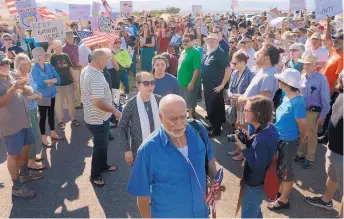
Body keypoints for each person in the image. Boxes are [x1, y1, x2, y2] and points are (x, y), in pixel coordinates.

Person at [127, 94, 218, 217]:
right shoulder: (147, 150)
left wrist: (215, 181)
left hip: (201, 214)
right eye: (173, 119)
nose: (180, 123)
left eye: (183, 117)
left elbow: (209, 161)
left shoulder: (199, 131)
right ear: (160, 117)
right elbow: (142, 196)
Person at [0, 51, 43, 199]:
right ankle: (16, 187)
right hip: (10, 125)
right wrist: (13, 89)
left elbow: (28, 91)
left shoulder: (11, 75)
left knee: (27, 146)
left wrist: (24, 86)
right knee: (14, 155)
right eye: (1, 64)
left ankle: (24, 174)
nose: (5, 65)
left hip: (24, 121)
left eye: (6, 62)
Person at [80, 48, 121, 187]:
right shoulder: (95, 76)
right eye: (107, 59)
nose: (109, 61)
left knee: (103, 145)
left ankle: (103, 165)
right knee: (100, 147)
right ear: (100, 61)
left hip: (97, 116)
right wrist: (115, 110)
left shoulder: (88, 69)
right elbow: (98, 102)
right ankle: (95, 175)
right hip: (98, 119)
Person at [267, 68, 307, 210]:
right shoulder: (286, 95)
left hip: (289, 141)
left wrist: (303, 136)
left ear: (287, 83)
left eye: (281, 80)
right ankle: (281, 191)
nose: (278, 81)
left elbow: (302, 123)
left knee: (286, 169)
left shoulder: (298, 102)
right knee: (280, 166)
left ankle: (283, 200)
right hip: (280, 138)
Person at [305, 72, 343, 218]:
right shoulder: (341, 95)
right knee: (332, 176)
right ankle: (326, 200)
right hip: (334, 148)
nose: (341, 77)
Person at [235, 96, 279, 218]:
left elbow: (257, 166)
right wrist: (249, 141)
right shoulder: (270, 128)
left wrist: (243, 148)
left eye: (246, 110)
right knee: (255, 211)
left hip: (254, 185)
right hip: (261, 183)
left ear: (257, 114)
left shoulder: (262, 139)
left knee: (249, 213)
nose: (244, 111)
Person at [119, 71, 162, 166]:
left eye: (152, 83)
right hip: (139, 152)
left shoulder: (160, 101)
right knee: (141, 179)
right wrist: (127, 150)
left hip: (160, 150)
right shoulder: (131, 104)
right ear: (138, 85)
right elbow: (122, 127)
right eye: (146, 83)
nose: (150, 86)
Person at [295, 53, 330, 169]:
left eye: (309, 64)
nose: (306, 66)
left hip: (313, 111)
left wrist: (323, 115)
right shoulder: (302, 76)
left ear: (315, 65)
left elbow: (325, 98)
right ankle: (300, 153)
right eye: (305, 64)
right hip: (301, 109)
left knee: (311, 134)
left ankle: (310, 157)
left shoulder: (321, 79)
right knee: (301, 132)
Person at [13, 53, 46, 171]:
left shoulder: (29, 74)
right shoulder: (17, 78)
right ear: (17, 65)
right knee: (33, 136)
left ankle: (31, 157)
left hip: (33, 108)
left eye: (27, 64)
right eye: (23, 65)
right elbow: (18, 97)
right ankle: (30, 162)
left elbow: (33, 89)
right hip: (26, 111)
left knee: (34, 135)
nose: (26, 67)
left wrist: (37, 94)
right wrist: (34, 97)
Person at [31, 47, 62, 147]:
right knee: (43, 117)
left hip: (52, 94)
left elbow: (58, 78)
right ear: (39, 57)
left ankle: (52, 132)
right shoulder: (34, 69)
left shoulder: (48, 65)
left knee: (52, 114)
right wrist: (52, 81)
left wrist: (50, 81)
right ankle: (43, 137)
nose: (46, 56)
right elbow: (40, 85)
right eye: (44, 55)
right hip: (42, 96)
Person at [202, 32, 231, 137]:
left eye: (212, 41)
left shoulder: (220, 53)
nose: (210, 42)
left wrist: (222, 85)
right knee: (210, 106)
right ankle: (213, 125)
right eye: (208, 41)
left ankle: (216, 130)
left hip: (215, 86)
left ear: (217, 41)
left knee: (215, 108)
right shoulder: (210, 52)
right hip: (207, 85)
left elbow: (228, 69)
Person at [227, 51, 254, 160]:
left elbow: (252, 92)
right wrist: (230, 94)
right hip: (235, 105)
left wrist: (241, 96)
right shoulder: (234, 73)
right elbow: (229, 87)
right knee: (237, 127)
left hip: (244, 107)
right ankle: (238, 149)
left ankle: (244, 153)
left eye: (235, 63)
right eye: (232, 63)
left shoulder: (250, 74)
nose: (232, 65)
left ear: (243, 62)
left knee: (244, 129)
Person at [318, 31, 343, 143]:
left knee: (330, 114)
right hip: (325, 89)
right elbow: (327, 39)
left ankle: (327, 136)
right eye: (334, 38)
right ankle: (324, 132)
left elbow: (338, 79)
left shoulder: (342, 57)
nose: (335, 41)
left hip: (331, 91)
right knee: (327, 113)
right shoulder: (334, 52)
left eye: (339, 39)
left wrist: (330, 93)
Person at [50, 40, 80, 131]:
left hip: (69, 82)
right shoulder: (52, 57)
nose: (59, 48)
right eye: (57, 46)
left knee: (71, 102)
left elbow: (70, 68)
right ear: (53, 48)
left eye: (60, 46)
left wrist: (75, 80)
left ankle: (73, 119)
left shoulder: (65, 56)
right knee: (58, 104)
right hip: (58, 85)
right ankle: (60, 121)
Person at [177, 33, 201, 119]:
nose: (184, 43)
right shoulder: (183, 51)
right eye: (183, 41)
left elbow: (197, 69)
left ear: (193, 41)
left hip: (189, 82)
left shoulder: (195, 52)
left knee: (190, 102)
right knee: (185, 101)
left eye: (187, 41)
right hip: (182, 81)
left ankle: (191, 118)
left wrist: (192, 82)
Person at [63, 30, 83, 109]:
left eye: (72, 37)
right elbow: (65, 61)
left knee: (79, 86)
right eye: (69, 38)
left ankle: (78, 101)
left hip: (78, 67)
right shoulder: (64, 48)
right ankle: (76, 103)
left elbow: (77, 57)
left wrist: (79, 63)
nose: (71, 39)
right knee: (76, 86)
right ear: (65, 39)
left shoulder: (75, 46)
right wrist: (75, 64)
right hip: (72, 68)